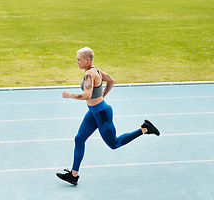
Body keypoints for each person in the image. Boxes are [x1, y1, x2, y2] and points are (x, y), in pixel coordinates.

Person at [56, 47, 160, 186]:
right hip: (94, 112)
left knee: (114, 144)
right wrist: (102, 96)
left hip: (102, 114)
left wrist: (69, 95)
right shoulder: (96, 70)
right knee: (79, 139)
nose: (77, 62)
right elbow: (111, 81)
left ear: (87, 60)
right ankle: (74, 175)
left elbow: (87, 95)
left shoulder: (89, 75)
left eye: (79, 60)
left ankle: (145, 129)